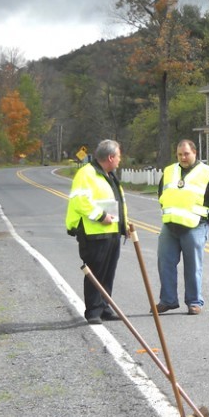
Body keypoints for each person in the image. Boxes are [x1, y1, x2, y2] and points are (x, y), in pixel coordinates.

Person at [156, 139, 209, 315]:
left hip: (195, 226)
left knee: (193, 266)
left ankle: (194, 302)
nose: (183, 157)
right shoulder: (170, 171)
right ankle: (168, 300)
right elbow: (161, 193)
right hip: (170, 226)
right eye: (179, 154)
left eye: (186, 154)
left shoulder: (208, 173)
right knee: (165, 263)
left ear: (194, 152)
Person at [64, 139, 129, 325]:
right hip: (94, 233)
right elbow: (80, 202)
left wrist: (125, 226)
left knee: (108, 272)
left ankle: (105, 306)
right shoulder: (86, 174)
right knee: (95, 272)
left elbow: (117, 201)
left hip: (111, 232)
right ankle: (93, 311)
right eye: (118, 156)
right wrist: (101, 216)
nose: (119, 160)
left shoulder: (109, 175)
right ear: (110, 157)